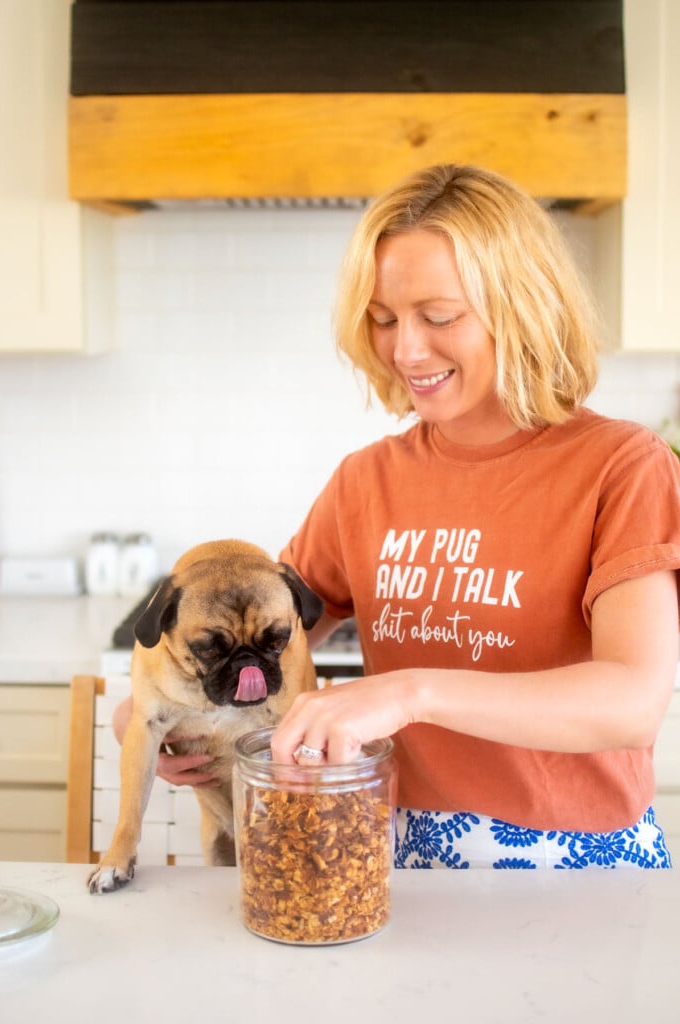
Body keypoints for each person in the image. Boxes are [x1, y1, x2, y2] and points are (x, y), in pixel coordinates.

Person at [115, 164, 680, 869]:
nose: (405, 350)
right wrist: (170, 716)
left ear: (521, 306)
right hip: (390, 851)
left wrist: (407, 693)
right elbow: (273, 640)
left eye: (438, 317)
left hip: (578, 859)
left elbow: (630, 703)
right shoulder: (366, 481)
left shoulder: (620, 465)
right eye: (383, 319)